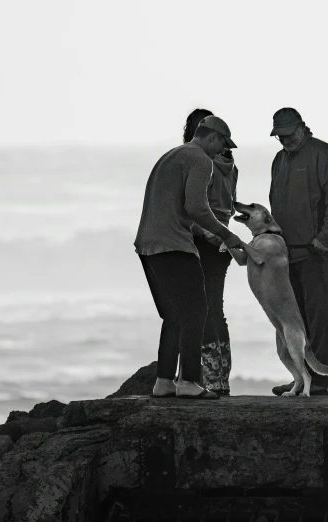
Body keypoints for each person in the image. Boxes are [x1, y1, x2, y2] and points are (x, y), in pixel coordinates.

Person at [134, 115, 244, 400]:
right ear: (211, 137)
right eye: (221, 143)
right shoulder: (200, 160)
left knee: (173, 316)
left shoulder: (170, 156)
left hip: (148, 246)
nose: (221, 150)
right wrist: (227, 235)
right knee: (197, 311)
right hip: (174, 246)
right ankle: (189, 382)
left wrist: (204, 233)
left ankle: (164, 381)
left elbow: (173, 207)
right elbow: (196, 206)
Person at [267, 108, 328, 396]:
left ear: (302, 128)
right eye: (279, 136)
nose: (284, 140)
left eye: (289, 134)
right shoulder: (279, 160)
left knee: (318, 316)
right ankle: (301, 379)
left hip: (317, 252)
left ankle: (320, 382)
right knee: (294, 319)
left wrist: (326, 239)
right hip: (286, 254)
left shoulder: (323, 154)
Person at [182, 109, 239, 396]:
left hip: (204, 239)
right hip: (222, 241)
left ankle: (208, 378)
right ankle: (221, 376)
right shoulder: (231, 165)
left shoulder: (202, 163)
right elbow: (229, 204)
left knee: (201, 308)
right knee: (216, 307)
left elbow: (195, 206)